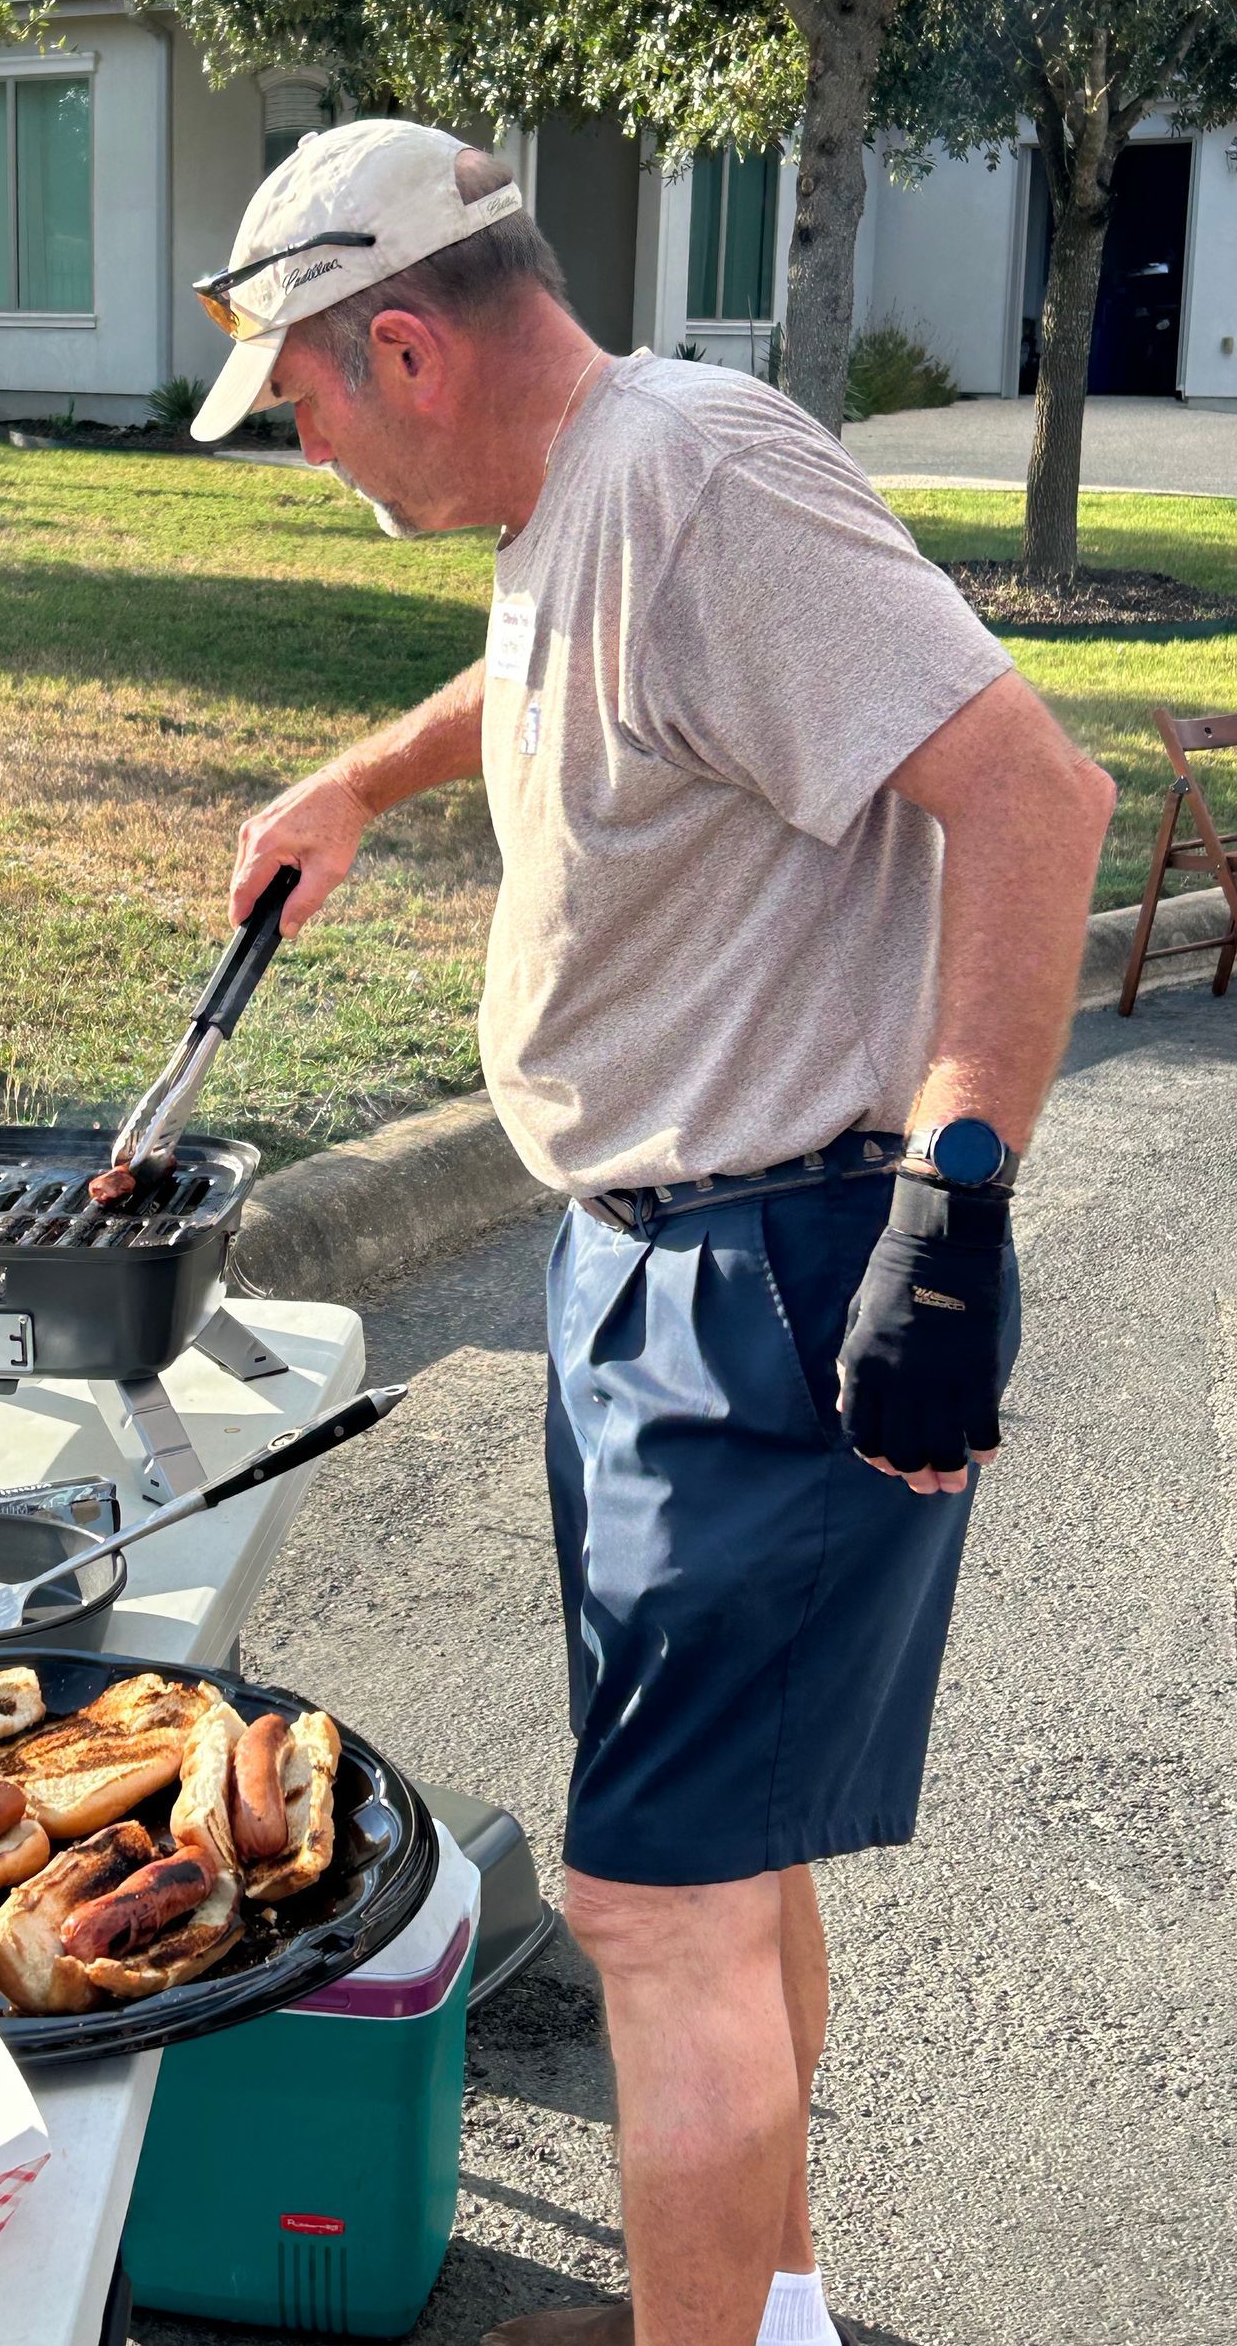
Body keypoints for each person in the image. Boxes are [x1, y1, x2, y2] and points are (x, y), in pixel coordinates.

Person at [189, 121, 1115, 2346]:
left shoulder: (701, 470)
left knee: (650, 1902)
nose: (301, 448)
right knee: (723, 1848)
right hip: (641, 1262)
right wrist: (364, 782)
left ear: (402, 343)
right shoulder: (570, 503)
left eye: (301, 401)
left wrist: (956, 1196)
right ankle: (761, 2300)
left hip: (789, 1270)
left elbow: (1034, 791)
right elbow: (544, 683)